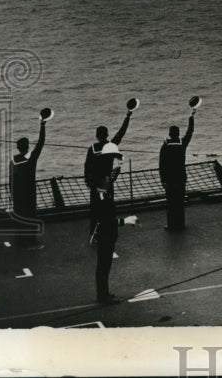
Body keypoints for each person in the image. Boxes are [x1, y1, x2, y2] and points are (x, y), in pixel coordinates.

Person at [92, 145, 138, 303]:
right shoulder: (102, 187)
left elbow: (110, 178)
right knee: (104, 265)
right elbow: (107, 220)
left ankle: (103, 293)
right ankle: (102, 296)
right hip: (106, 231)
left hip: (105, 231)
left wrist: (118, 167)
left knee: (105, 265)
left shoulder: (102, 179)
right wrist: (126, 221)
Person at [84, 104, 133, 235]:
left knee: (95, 209)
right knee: (109, 207)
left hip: (95, 183)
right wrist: (127, 116)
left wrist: (87, 182)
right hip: (107, 182)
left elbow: (87, 166)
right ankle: (110, 229)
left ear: (97, 136)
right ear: (107, 135)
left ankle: (94, 232)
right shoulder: (111, 146)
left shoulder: (92, 149)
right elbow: (121, 133)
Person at [9, 109, 49, 247]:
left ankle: (19, 242)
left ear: (18, 148)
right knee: (31, 216)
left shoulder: (13, 160)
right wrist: (42, 125)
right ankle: (32, 242)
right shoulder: (32, 157)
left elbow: (11, 179)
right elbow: (41, 142)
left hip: (17, 194)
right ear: (27, 147)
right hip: (29, 192)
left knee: (20, 217)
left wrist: (12, 194)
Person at [158, 106, 195, 231]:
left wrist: (162, 180)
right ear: (178, 133)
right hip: (180, 177)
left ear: (169, 134)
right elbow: (190, 132)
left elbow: (161, 164)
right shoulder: (182, 144)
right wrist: (191, 117)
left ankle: (171, 225)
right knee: (180, 201)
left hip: (169, 178)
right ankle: (180, 224)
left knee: (171, 202)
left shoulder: (165, 146)